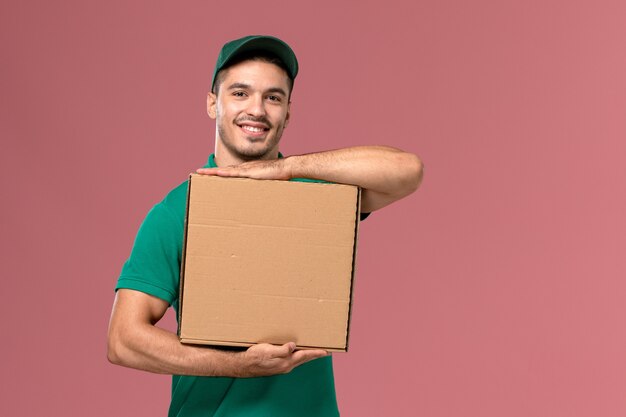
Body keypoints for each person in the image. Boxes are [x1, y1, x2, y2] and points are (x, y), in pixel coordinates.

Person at [107, 35, 424, 416]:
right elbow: (123, 339)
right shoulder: (178, 211)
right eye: (240, 93)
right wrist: (240, 366)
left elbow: (407, 170)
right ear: (213, 103)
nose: (256, 109)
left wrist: (285, 169)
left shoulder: (313, 199)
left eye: (273, 97)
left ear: (288, 112)